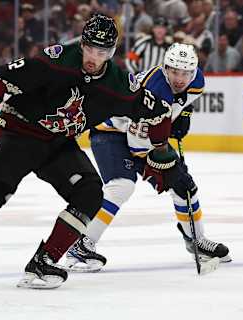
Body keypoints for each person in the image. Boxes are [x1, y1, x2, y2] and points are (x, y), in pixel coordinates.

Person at [0, 14, 173, 290]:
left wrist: (160, 151)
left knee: (90, 194)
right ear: (82, 43)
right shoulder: (57, 60)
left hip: (58, 145)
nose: (92, 57)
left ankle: (43, 262)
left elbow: (157, 112)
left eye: (101, 52)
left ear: (111, 52)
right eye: (89, 48)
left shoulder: (119, 85)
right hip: (20, 134)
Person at [64, 43, 231, 272]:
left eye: (185, 73)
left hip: (143, 132)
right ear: (165, 69)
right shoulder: (154, 91)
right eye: (174, 72)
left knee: (185, 188)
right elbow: (138, 141)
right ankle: (80, 245)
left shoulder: (197, 81)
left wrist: (183, 114)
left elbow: (175, 108)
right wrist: (164, 163)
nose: (180, 79)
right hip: (111, 131)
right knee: (121, 186)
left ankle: (196, 240)